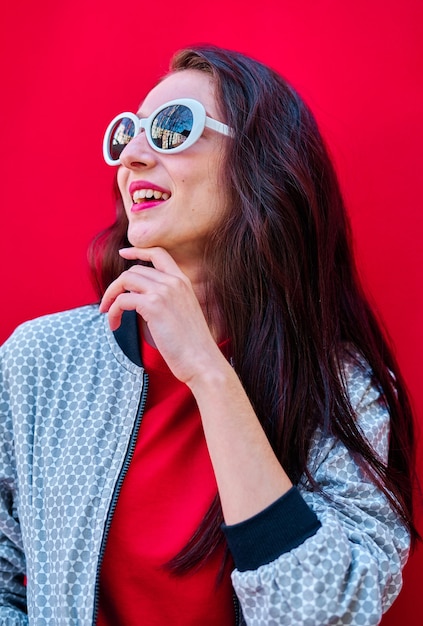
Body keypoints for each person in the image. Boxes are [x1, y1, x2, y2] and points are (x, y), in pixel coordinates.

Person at [0, 45, 419, 626]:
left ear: (260, 163)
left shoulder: (341, 389)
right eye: (128, 135)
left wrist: (209, 374)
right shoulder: (41, 362)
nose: (134, 157)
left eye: (173, 129)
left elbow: (331, 614)